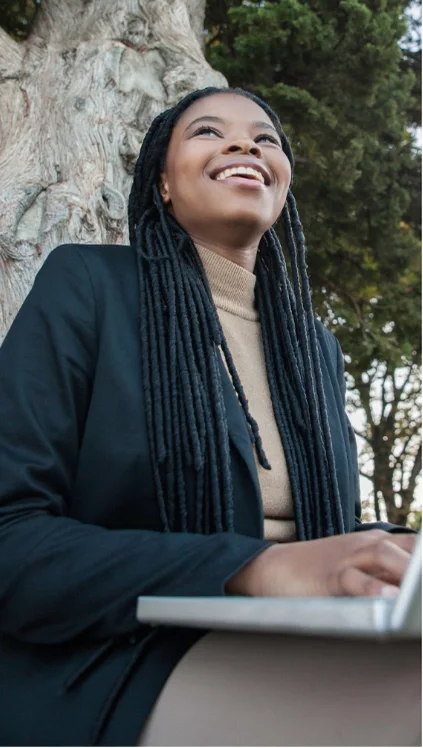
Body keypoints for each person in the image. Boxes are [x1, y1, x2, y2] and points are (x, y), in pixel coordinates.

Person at [0, 86, 418, 748]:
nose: (245, 143)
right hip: (112, 661)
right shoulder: (87, 285)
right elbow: (12, 536)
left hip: (303, 640)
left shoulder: (312, 349)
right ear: (163, 184)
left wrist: (390, 553)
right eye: (207, 132)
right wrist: (257, 569)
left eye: (266, 138)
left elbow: (323, 536)